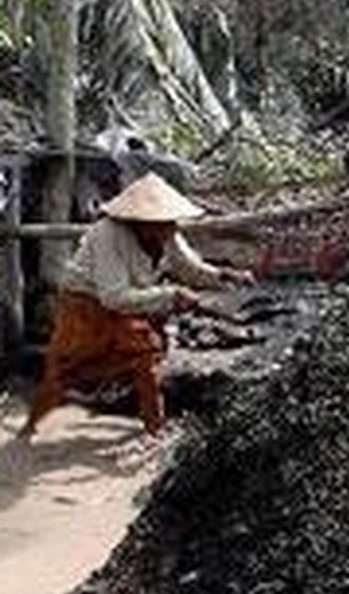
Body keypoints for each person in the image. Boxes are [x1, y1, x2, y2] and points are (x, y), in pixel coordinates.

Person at [14, 173, 253, 444]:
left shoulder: (168, 231)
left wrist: (222, 275)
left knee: (145, 359)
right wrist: (172, 295)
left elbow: (188, 267)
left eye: (169, 221)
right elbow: (114, 296)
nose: (168, 227)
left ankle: (155, 428)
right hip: (86, 307)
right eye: (160, 222)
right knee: (65, 371)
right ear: (139, 220)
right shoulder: (107, 234)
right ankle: (30, 427)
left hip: (129, 304)